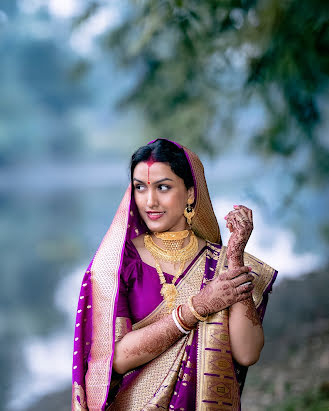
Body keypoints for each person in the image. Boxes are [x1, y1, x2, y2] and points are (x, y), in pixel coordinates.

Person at [71, 139, 277, 410]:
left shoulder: (222, 262)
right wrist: (199, 307)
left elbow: (247, 352)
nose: (150, 201)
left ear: (190, 193)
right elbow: (115, 358)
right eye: (140, 188)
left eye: (163, 187)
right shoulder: (118, 265)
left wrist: (235, 255)